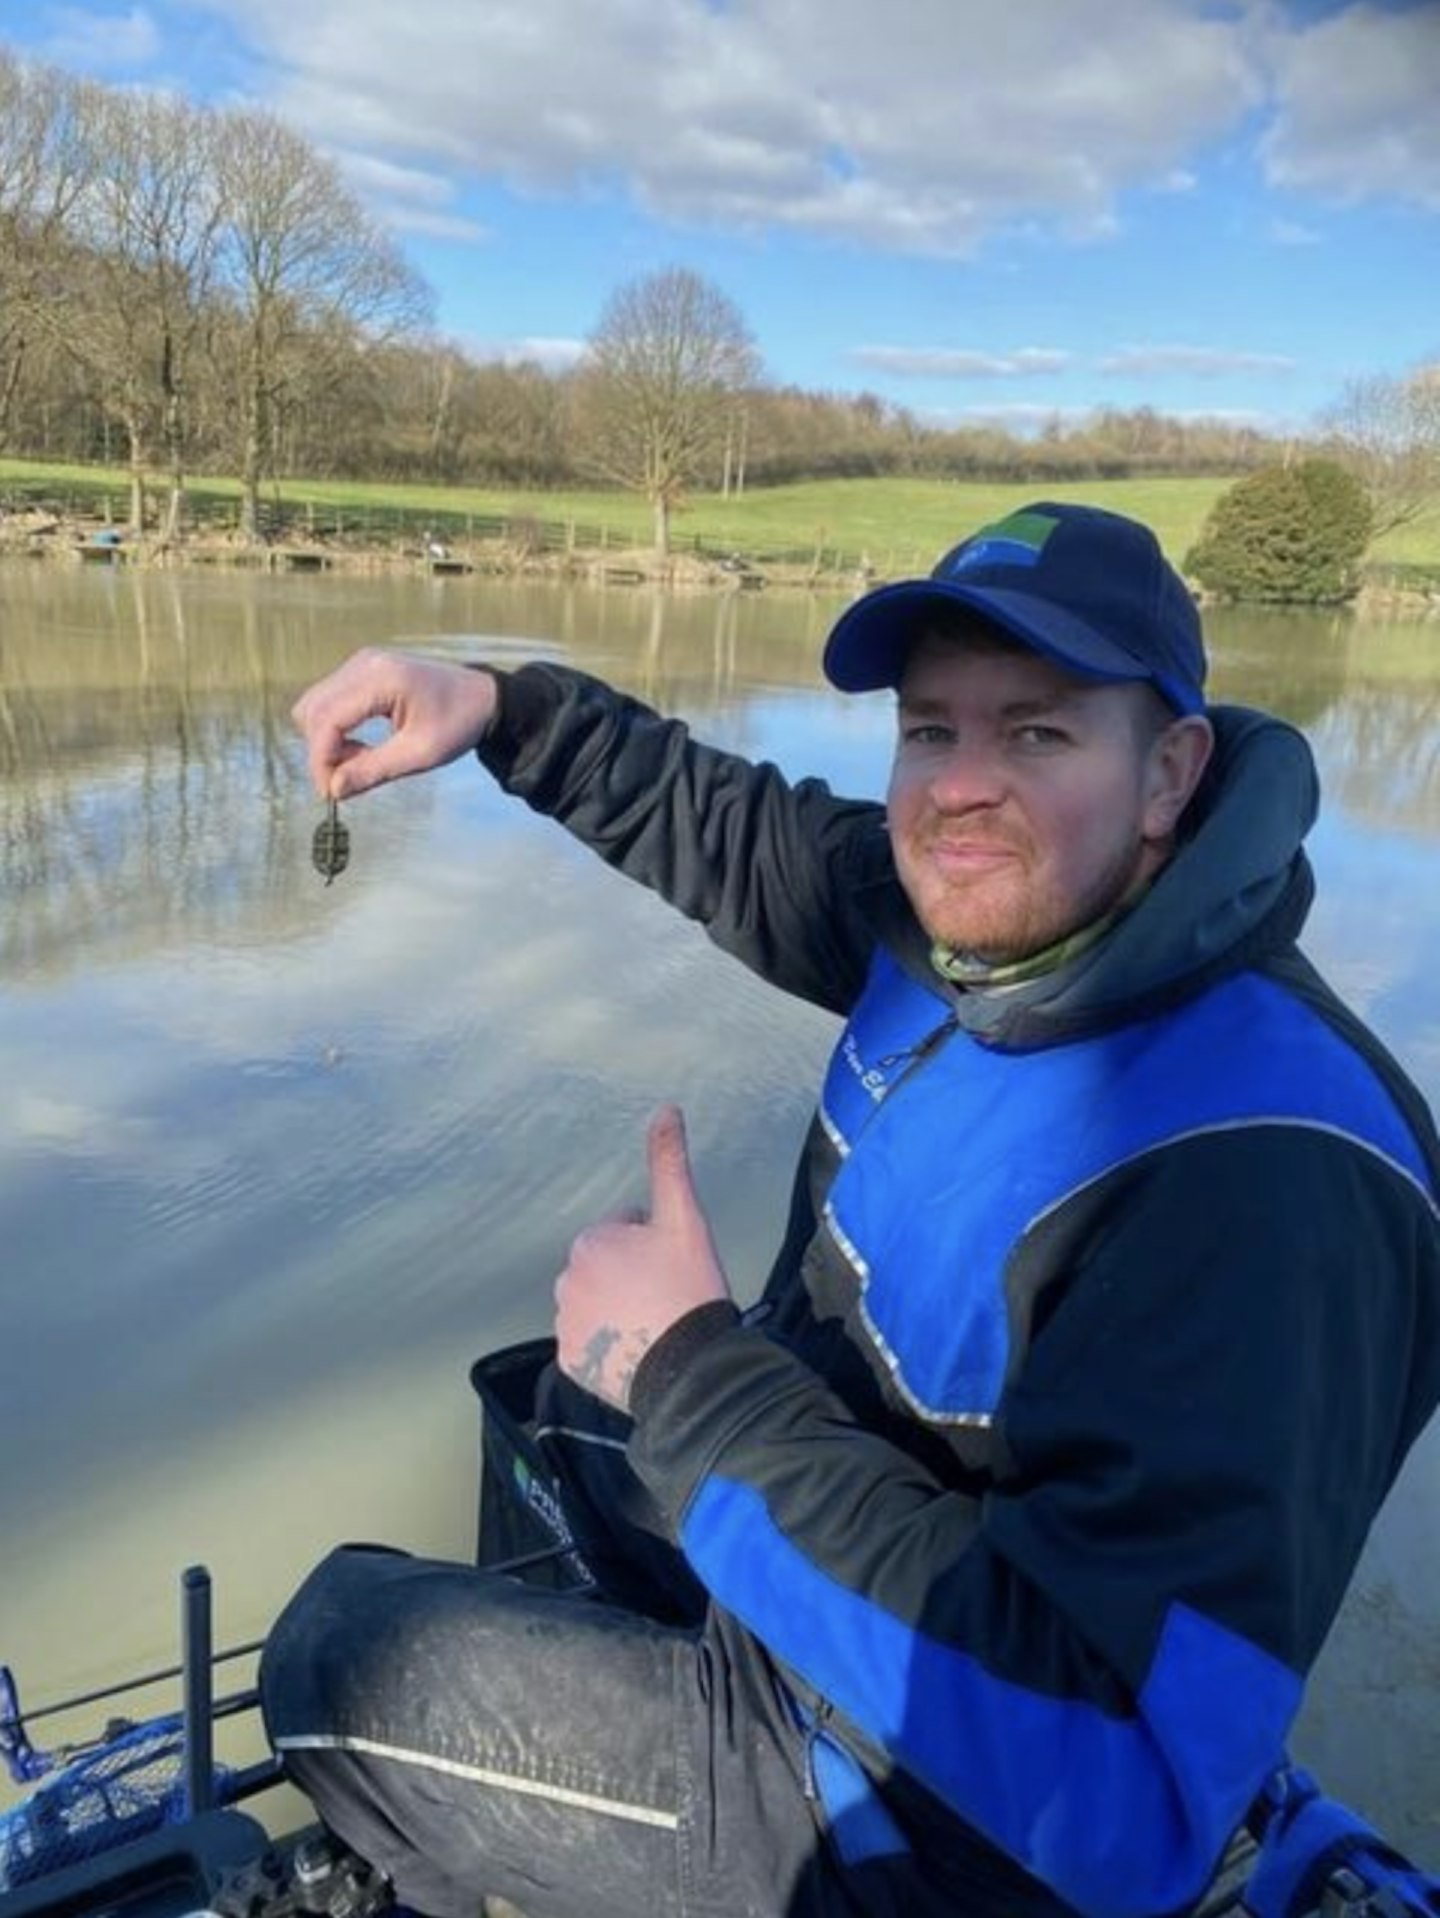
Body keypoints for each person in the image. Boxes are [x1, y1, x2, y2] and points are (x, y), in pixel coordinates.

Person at [261, 502, 1440, 1918]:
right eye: (930, 728)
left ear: (1169, 771)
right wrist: (504, 708)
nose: (957, 788)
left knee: (335, 1653)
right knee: (559, 1405)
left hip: (939, 1814)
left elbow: (1115, 1788)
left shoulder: (1271, 1178)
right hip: (838, 1535)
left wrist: (693, 1365)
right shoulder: (983, 927)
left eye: (1039, 732)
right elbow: (733, 829)